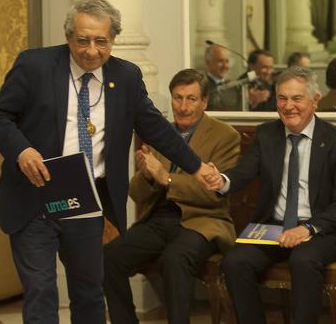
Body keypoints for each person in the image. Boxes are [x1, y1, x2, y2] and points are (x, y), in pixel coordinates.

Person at [0, 0, 214, 324]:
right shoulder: (34, 66)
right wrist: (22, 150)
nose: (92, 50)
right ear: (68, 37)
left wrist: (197, 166)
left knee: (89, 291)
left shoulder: (127, 77)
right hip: (35, 196)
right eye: (83, 40)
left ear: (113, 39)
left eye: (101, 41)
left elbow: (157, 129)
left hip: (87, 200)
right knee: (41, 289)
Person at [211, 67, 336, 324]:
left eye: (296, 98)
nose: (288, 106)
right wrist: (221, 180)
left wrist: (308, 229)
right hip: (274, 227)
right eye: (282, 98)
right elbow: (243, 173)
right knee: (236, 261)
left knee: (304, 258)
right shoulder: (267, 135)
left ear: (315, 100)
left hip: (322, 229)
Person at [103, 69, 240, 324]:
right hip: (159, 219)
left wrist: (165, 177)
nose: (183, 107)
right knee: (110, 258)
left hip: (203, 221)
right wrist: (147, 174)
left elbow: (213, 193)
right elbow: (135, 194)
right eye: (178, 98)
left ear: (204, 102)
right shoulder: (160, 132)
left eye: (191, 99)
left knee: (174, 259)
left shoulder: (225, 136)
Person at [203, 44, 242, 111]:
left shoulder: (234, 87)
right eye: (220, 61)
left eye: (227, 61)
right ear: (208, 63)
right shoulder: (201, 85)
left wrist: (251, 101)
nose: (225, 66)